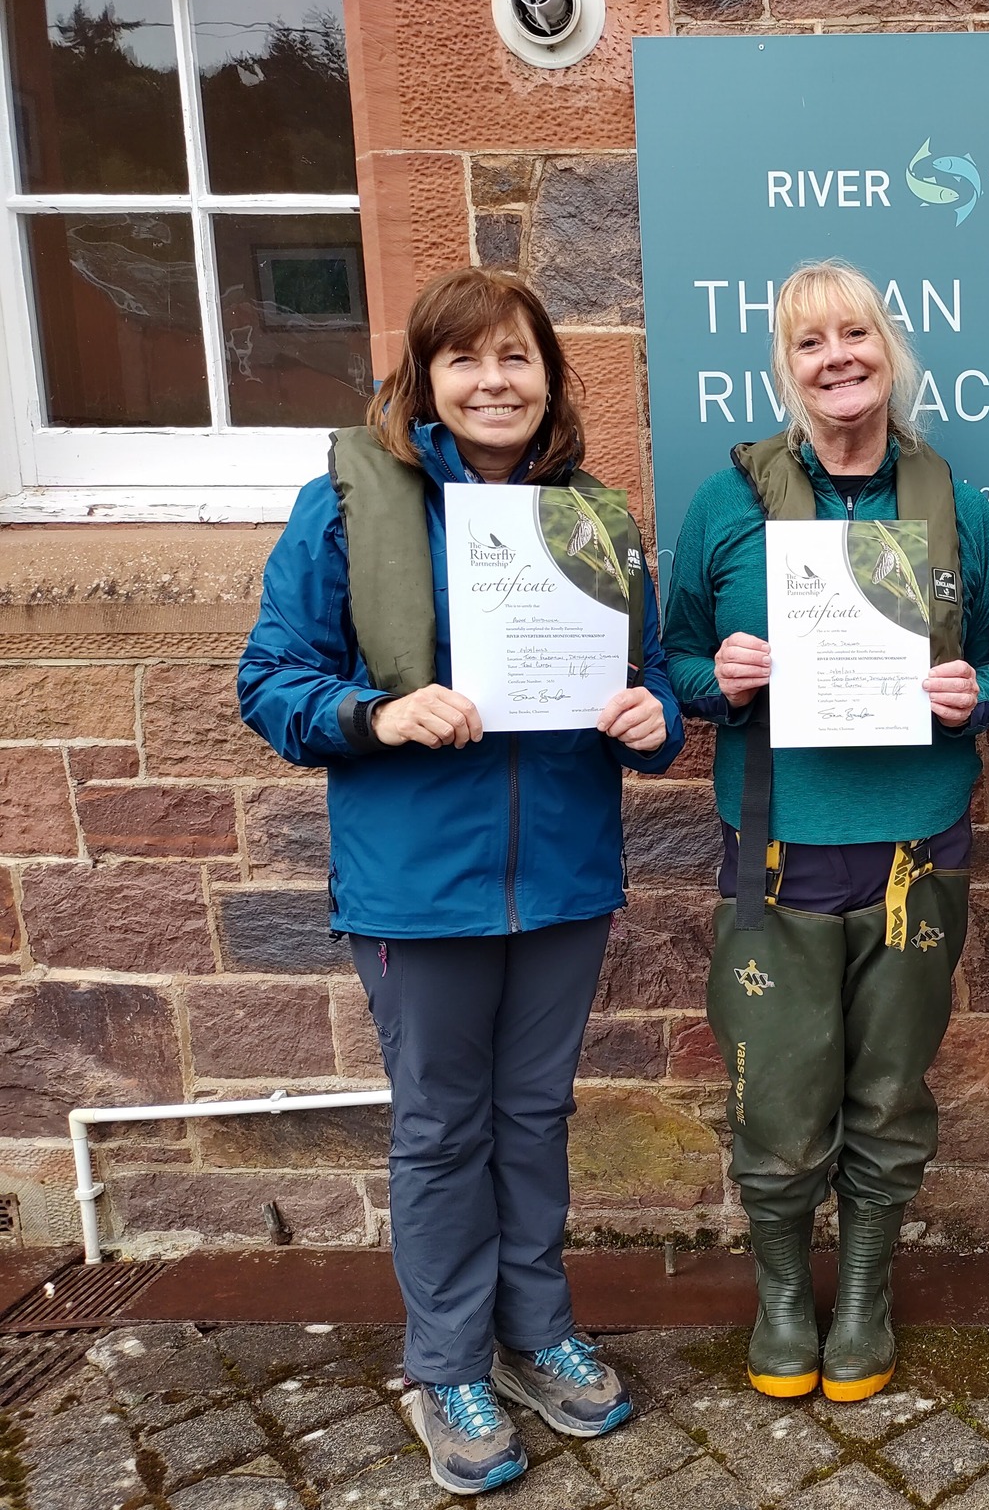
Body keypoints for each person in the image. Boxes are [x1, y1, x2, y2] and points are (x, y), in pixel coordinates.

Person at [239, 268, 681, 1495]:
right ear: (424, 378)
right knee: (441, 1128)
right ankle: (445, 1366)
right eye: (465, 359)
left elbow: (648, 683)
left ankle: (535, 1332)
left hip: (562, 879)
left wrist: (654, 719)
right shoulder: (347, 506)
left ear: (549, 377)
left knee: (535, 1117)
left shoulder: (594, 518)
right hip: (417, 884)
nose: (494, 381)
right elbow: (270, 679)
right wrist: (377, 714)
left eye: (516, 357)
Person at [661, 259, 989, 1403]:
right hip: (776, 845)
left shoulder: (956, 505)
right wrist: (715, 677)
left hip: (917, 843)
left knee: (890, 1091)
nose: (836, 358)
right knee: (776, 1096)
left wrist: (975, 693)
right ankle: (779, 1296)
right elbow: (671, 658)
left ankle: (860, 1295)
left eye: (854, 334)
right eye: (809, 342)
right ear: (785, 368)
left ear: (887, 351)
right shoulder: (725, 506)